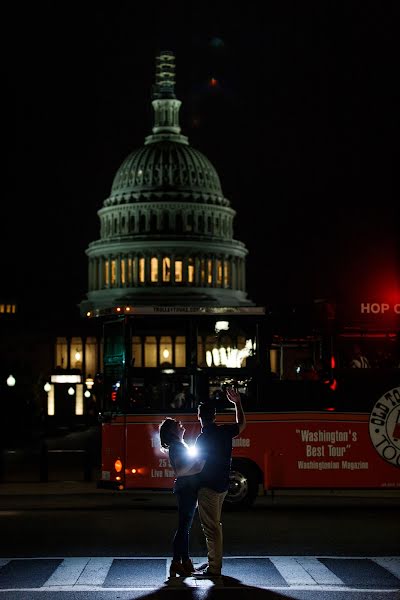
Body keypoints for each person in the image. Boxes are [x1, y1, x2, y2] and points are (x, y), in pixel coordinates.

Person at [194, 386, 246, 577]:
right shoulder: (225, 432)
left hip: (208, 488)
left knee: (211, 528)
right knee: (215, 525)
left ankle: (214, 567)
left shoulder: (202, 438)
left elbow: (198, 466)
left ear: (199, 416)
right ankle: (212, 561)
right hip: (223, 485)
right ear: (214, 416)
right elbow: (241, 424)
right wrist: (237, 404)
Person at [158, 417, 205, 578]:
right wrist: (200, 466)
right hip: (185, 489)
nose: (182, 425)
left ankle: (184, 562)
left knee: (185, 527)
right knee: (184, 528)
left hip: (187, 489)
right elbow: (180, 471)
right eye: (178, 425)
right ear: (173, 431)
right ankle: (177, 563)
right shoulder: (177, 446)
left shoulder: (179, 445)